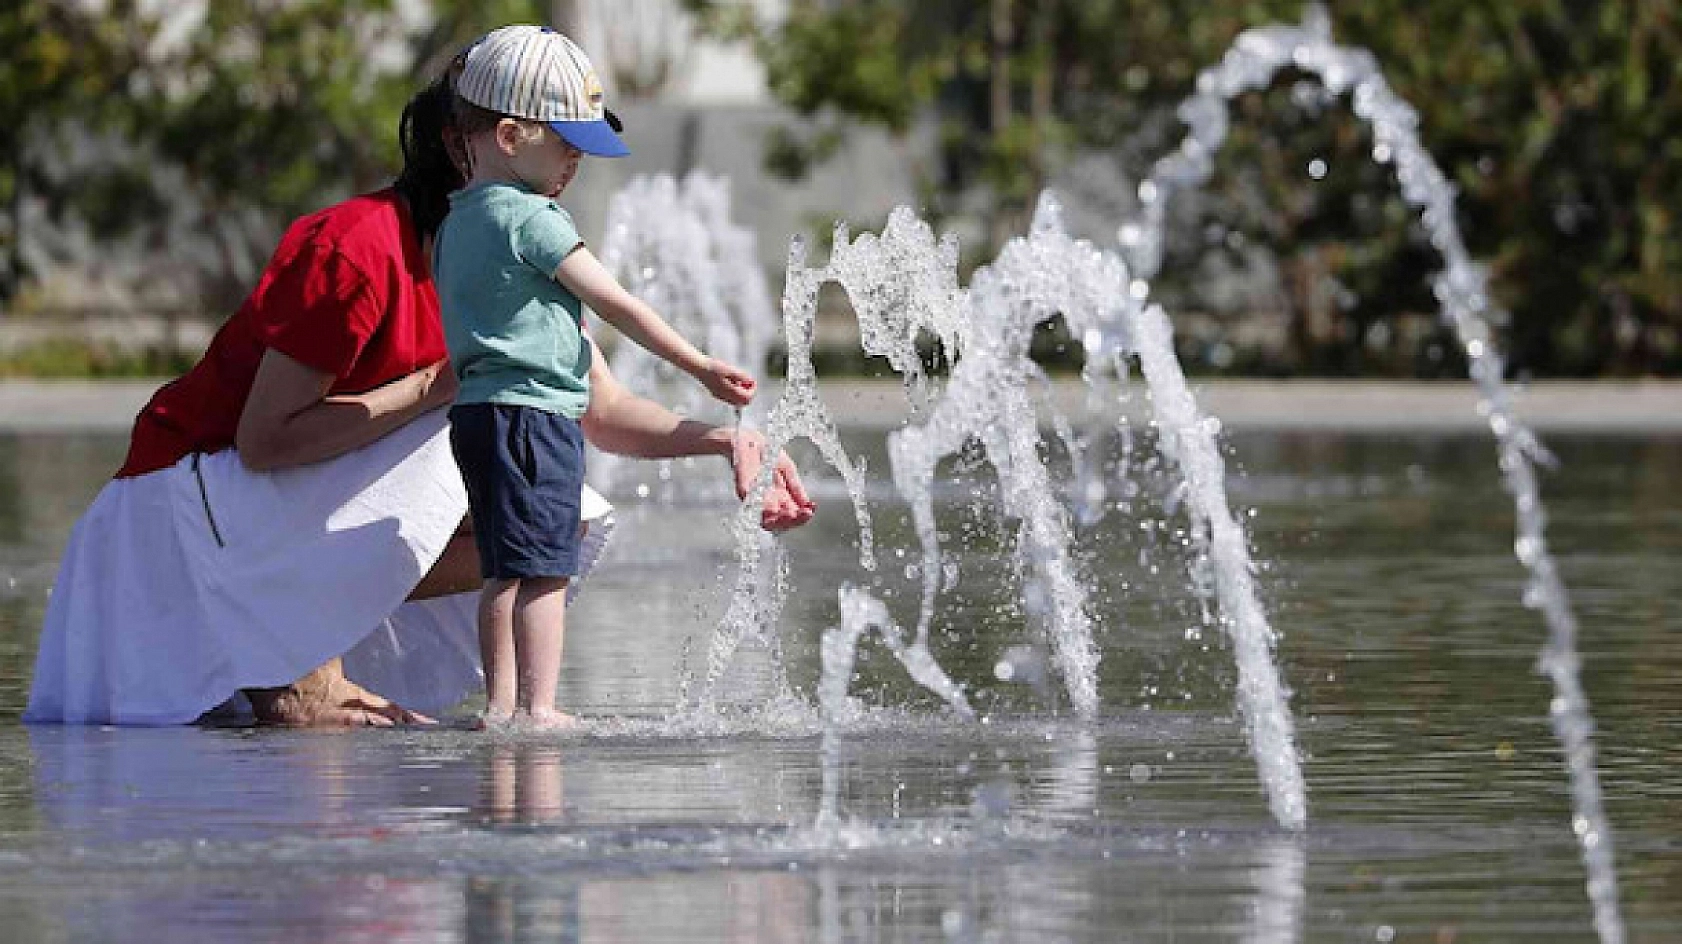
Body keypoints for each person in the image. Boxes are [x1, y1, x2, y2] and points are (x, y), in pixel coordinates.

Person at [21, 49, 814, 729]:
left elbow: (600, 411)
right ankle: (299, 670)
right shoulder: (358, 249)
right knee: (474, 422)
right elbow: (264, 442)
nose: (569, 172)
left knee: (553, 511)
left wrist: (724, 438)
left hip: (262, 520)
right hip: (173, 516)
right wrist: (433, 386)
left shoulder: (522, 254)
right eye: (557, 145)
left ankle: (306, 660)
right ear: (472, 144)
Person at [434, 25, 756, 729]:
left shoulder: (458, 221)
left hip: (480, 413)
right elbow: (616, 302)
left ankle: (500, 704)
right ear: (512, 136)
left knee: (501, 567)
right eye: (567, 141)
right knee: (548, 565)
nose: (577, 158)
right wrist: (698, 365)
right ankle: (539, 706)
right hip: (535, 415)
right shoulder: (533, 218)